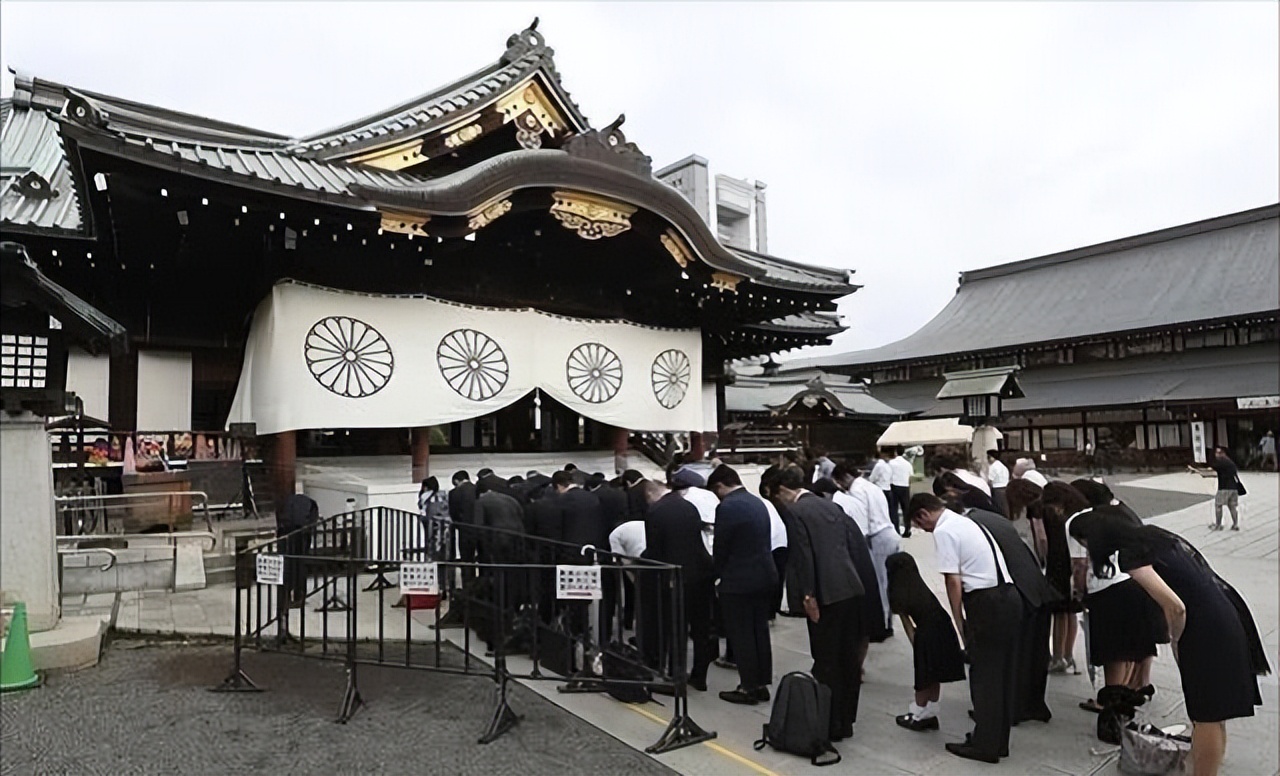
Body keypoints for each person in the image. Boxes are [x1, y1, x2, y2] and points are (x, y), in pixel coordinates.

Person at [1069, 515, 1267, 776]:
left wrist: (1176, 639)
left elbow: (1175, 606)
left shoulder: (1131, 556)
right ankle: (1199, 768)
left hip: (1206, 629)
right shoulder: (1157, 537)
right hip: (1225, 613)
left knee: (1205, 716)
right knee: (1212, 715)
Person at [908, 493, 1021, 764]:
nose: (924, 530)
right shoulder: (966, 521)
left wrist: (959, 622)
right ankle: (996, 739)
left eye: (920, 525)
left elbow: (953, 581)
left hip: (986, 602)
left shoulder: (945, 530)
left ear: (924, 514)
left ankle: (985, 745)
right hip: (1008, 596)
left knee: (984, 678)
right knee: (1001, 675)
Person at [776, 467, 883, 741]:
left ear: (783, 491)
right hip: (850, 587)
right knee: (849, 660)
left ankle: (828, 722)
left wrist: (808, 596)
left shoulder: (797, 513)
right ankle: (846, 721)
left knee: (827, 660)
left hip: (826, 594)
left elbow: (804, 556)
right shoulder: (830, 506)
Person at [965, 506, 1059, 725]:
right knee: (1037, 652)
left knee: (1016, 654)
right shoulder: (994, 519)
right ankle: (1034, 705)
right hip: (1037, 587)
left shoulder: (971, 528)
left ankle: (1013, 708)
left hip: (1019, 592)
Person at [707, 464, 778, 704]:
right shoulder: (756, 502)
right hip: (764, 575)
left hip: (739, 580)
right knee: (759, 632)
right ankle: (761, 683)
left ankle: (747, 686)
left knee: (741, 634)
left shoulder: (727, 507)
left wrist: (716, 576)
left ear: (720, 486)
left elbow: (722, 547)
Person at [641, 480, 716, 691]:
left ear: (649, 494)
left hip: (674, 576)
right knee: (700, 627)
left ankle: (676, 676)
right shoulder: (688, 506)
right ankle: (699, 675)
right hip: (700, 573)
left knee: (676, 628)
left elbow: (655, 551)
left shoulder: (656, 511)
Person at [887, 551, 967, 731]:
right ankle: (930, 711)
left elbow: (909, 627)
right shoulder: (919, 589)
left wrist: (918, 649)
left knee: (923, 675)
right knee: (935, 674)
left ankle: (918, 714)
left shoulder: (899, 594)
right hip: (943, 627)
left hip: (927, 633)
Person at [838, 464, 900, 637]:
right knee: (888, 582)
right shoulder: (870, 486)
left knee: (880, 583)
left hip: (877, 536)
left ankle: (881, 626)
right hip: (889, 532)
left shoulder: (856, 491)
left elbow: (862, 519)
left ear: (844, 478)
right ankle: (888, 621)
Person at [276, 492, 319, 607]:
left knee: (288, 567)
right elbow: (311, 523)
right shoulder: (310, 505)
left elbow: (279, 520)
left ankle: (287, 596)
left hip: (287, 534)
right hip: (300, 535)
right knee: (299, 566)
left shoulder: (288, 503)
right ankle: (299, 596)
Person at [1189, 447, 1244, 531]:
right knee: (1232, 506)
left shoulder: (1221, 462)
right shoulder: (1230, 462)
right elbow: (1218, 473)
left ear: (1222, 454)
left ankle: (1218, 525)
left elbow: (1210, 470)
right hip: (1234, 488)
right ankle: (1235, 524)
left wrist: (1197, 470)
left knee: (1218, 505)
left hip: (1224, 488)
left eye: (1218, 453)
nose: (1216, 455)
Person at [448, 470, 479, 584]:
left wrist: (458, 525)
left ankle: (468, 584)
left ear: (456, 481)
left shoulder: (454, 493)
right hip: (480, 528)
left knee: (466, 559)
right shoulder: (478, 489)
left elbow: (453, 513)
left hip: (464, 529)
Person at [417, 476, 451, 561]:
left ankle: (431, 557)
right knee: (443, 542)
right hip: (444, 521)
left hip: (429, 520)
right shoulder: (443, 494)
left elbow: (421, 507)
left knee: (430, 540)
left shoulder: (425, 495)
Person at [889, 447, 914, 537]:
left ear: (895, 452)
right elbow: (911, 475)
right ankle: (908, 529)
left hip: (894, 485)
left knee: (894, 509)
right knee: (906, 509)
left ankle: (896, 529)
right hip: (905, 486)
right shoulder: (907, 464)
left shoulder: (891, 463)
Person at [869, 448, 895, 521]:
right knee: (889, 510)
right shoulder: (888, 465)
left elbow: (872, 478)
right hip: (888, 489)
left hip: (880, 489)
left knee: (880, 510)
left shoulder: (878, 466)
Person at [986, 450, 1010, 516]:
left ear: (991, 457)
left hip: (997, 489)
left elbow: (990, 481)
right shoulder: (1003, 466)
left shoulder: (993, 467)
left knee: (998, 507)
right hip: (1006, 487)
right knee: (1005, 507)